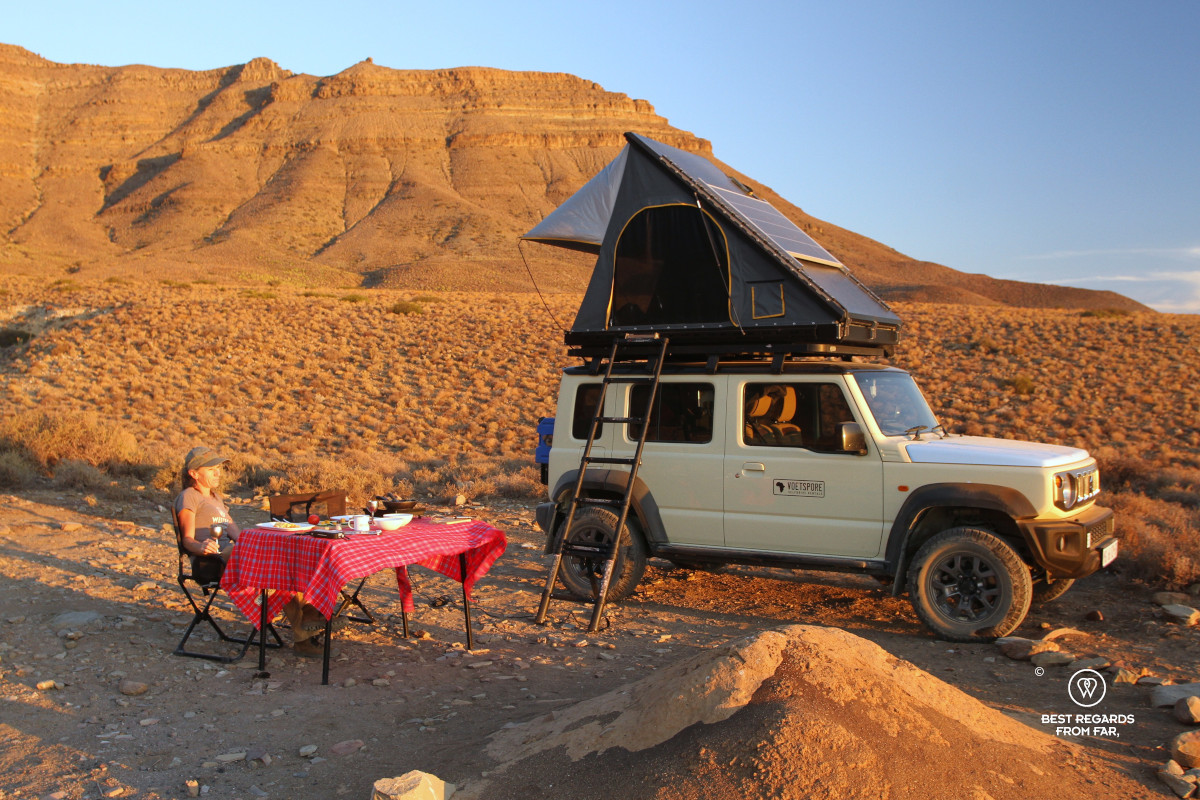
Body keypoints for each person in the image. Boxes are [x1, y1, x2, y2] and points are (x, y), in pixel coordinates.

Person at [174, 446, 331, 656]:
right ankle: (309, 617)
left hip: (233, 555)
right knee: (272, 564)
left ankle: (305, 632)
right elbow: (187, 541)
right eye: (211, 469)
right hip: (211, 561)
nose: (217, 472)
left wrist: (263, 541)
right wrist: (201, 547)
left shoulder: (215, 499)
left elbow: (238, 536)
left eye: (218, 468)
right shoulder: (189, 497)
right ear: (194, 473)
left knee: (285, 566)